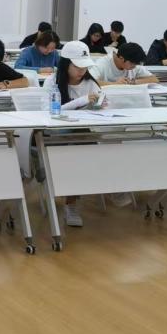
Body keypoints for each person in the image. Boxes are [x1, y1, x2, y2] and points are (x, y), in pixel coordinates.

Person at [45, 41, 103, 227]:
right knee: (80, 149)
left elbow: (99, 106)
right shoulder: (52, 82)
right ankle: (71, 203)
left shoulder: (90, 83)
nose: (82, 71)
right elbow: (48, 112)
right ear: (66, 64)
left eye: (85, 67)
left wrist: (100, 104)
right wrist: (81, 101)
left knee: (84, 149)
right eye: (78, 67)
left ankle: (73, 202)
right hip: (53, 135)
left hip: (81, 136)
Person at [90, 42, 158, 85]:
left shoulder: (133, 62)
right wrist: (115, 84)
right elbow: (90, 82)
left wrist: (134, 82)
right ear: (121, 58)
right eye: (132, 64)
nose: (134, 67)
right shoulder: (102, 63)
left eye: (136, 64)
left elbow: (154, 79)